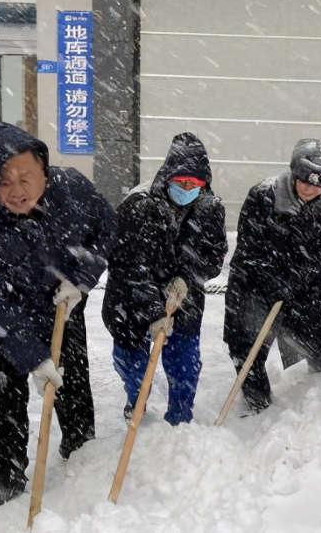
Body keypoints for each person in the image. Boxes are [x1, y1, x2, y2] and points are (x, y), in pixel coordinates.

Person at [0, 122, 115, 518]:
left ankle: (82, 453)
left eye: (26, 176)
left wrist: (82, 278)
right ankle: (3, 482)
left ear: (44, 168)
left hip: (61, 304)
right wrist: (32, 356)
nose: (17, 190)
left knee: (72, 383)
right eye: (3, 182)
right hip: (1, 321)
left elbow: (107, 228)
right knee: (2, 397)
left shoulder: (72, 190)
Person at [102, 133, 227, 426]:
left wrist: (186, 277)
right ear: (168, 176)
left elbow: (214, 254)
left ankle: (179, 422)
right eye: (181, 182)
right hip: (131, 301)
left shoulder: (209, 209)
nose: (186, 189)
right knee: (134, 368)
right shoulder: (140, 205)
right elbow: (129, 265)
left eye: (194, 185)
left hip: (184, 299)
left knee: (185, 367)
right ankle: (137, 406)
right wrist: (153, 313)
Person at [224, 138, 321, 413]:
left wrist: (302, 275)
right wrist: (271, 278)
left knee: (310, 343)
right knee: (248, 346)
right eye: (305, 179)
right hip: (253, 287)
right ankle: (258, 402)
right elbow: (250, 244)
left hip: (303, 289)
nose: (310, 187)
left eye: (319, 184)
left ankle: (313, 398)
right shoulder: (264, 195)